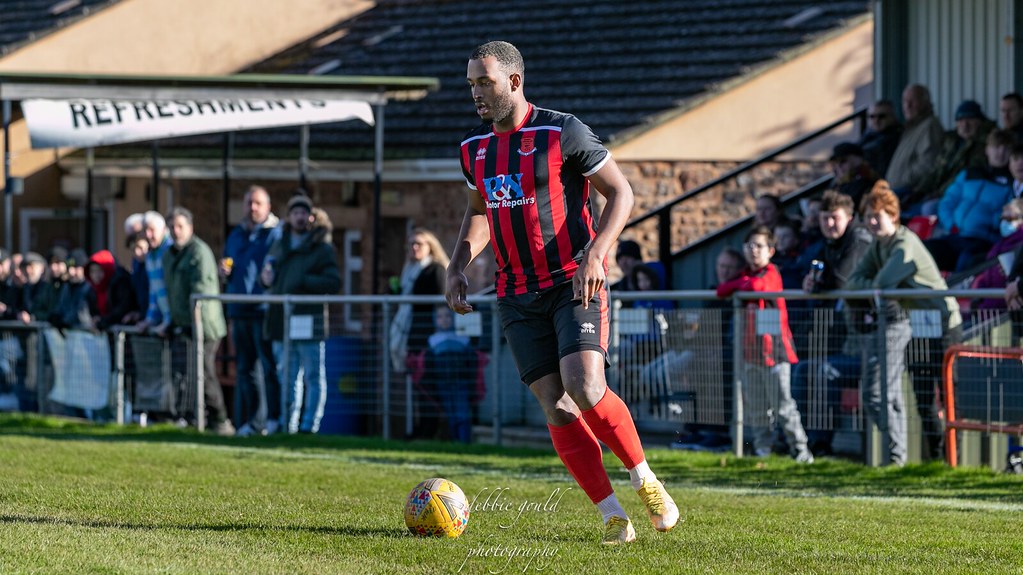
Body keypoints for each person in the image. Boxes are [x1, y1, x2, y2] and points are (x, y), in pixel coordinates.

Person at [447, 40, 678, 545]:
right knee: (555, 404)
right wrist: (457, 265)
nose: (476, 93)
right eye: (470, 84)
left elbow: (622, 193)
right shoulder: (472, 147)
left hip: (575, 278)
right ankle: (613, 515)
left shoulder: (562, 131)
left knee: (585, 384)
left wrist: (597, 254)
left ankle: (645, 479)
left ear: (514, 80)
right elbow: (482, 210)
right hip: (514, 293)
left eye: (484, 82)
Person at [846, 182, 962, 465]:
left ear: (893, 216)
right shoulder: (879, 246)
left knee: (947, 396)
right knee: (923, 397)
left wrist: (873, 285)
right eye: (868, 216)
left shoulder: (904, 243)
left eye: (878, 215)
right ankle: (935, 461)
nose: (872, 222)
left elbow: (883, 283)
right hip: (918, 325)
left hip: (944, 323)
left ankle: (953, 461)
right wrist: (871, 285)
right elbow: (853, 282)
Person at [716, 226, 813, 464]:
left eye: (759, 246)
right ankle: (763, 451)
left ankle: (801, 452)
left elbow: (759, 288)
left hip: (775, 353)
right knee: (757, 408)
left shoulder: (772, 272)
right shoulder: (745, 275)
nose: (753, 250)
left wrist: (742, 285)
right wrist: (742, 284)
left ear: (770, 251)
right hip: (750, 353)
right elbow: (722, 289)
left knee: (783, 407)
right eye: (749, 245)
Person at [791, 191, 873, 455]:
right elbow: (820, 277)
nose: (829, 224)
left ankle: (821, 443)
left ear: (849, 217)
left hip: (869, 347)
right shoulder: (826, 244)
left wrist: (818, 285)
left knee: (824, 371)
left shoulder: (859, 239)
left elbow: (841, 280)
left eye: (834, 219)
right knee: (803, 369)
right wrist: (810, 282)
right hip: (842, 339)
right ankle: (800, 440)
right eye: (825, 219)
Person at [262, 194, 341, 435]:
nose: (298, 217)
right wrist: (265, 279)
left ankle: (309, 426)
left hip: (309, 318)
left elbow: (333, 281)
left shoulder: (322, 247)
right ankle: (289, 425)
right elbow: (269, 272)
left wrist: (302, 281)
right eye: (294, 212)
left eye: (302, 213)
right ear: (288, 217)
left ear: (310, 217)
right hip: (281, 318)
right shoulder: (279, 242)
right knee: (287, 374)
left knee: (314, 376)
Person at [162, 207, 234, 435]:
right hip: (183, 323)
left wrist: (192, 323)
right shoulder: (169, 254)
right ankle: (194, 418)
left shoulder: (198, 252)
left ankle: (220, 420)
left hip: (206, 326)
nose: (176, 231)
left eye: (180, 226)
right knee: (186, 374)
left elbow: (200, 291)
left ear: (190, 228)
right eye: (172, 227)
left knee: (204, 372)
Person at [223, 185, 282, 437]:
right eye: (249, 203)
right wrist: (224, 272)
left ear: (267, 206)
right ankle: (251, 421)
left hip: (263, 310)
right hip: (239, 309)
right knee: (245, 369)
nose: (253, 207)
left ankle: (272, 419)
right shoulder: (236, 234)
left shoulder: (275, 234)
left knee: (268, 368)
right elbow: (230, 264)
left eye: (258, 203)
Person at [925, 128, 1014, 272]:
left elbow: (1009, 217)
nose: (1000, 152)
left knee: (966, 262)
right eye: (996, 147)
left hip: (982, 242)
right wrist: (951, 224)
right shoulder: (970, 174)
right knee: (925, 250)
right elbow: (947, 202)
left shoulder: (1013, 184)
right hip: (956, 235)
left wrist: (988, 228)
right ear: (987, 150)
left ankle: (957, 294)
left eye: (1006, 148)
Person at [389, 228, 449, 439]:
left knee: (428, 386)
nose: (414, 248)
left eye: (419, 244)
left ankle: (429, 429)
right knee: (418, 384)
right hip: (413, 335)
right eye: (411, 244)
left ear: (430, 247)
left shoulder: (436, 269)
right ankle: (419, 427)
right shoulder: (409, 271)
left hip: (429, 337)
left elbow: (439, 305)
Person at [900, 99, 995, 215]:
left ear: (980, 121)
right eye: (960, 120)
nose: (965, 125)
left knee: (925, 209)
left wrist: (938, 194)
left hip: (958, 196)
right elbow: (935, 171)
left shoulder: (985, 144)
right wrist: (918, 191)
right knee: (899, 197)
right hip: (937, 192)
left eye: (970, 119)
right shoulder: (951, 141)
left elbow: (962, 176)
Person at [421, 304, 477, 443]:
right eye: (440, 317)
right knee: (451, 414)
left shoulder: (463, 339)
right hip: (442, 384)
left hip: (461, 383)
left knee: (462, 413)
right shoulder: (432, 341)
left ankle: (465, 443)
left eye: (447, 316)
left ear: (453, 318)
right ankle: (456, 442)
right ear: (435, 320)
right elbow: (429, 367)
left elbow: (471, 364)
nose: (444, 319)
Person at [885, 84, 945, 193]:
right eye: (905, 101)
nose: (908, 105)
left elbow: (928, 163)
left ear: (926, 102)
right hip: (894, 189)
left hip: (909, 192)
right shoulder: (910, 128)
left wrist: (903, 180)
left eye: (913, 101)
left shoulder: (930, 126)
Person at [970, 198, 1023, 310]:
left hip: (1002, 306)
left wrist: (984, 307)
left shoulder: (1018, 245)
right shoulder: (999, 245)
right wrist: (978, 299)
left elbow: (1005, 284)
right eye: (1003, 218)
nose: (1005, 223)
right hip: (991, 306)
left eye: (1010, 219)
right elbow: (987, 277)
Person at [136, 211, 173, 335]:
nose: (148, 234)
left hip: (178, 324)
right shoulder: (150, 256)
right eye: (145, 230)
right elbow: (155, 291)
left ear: (163, 229)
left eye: (152, 230)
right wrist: (150, 320)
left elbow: (176, 290)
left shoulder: (171, 251)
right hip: (164, 323)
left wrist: (169, 322)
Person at [84, 250, 136, 331]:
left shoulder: (120, 281)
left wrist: (104, 320)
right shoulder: (93, 289)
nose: (96, 275)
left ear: (106, 269)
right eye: (93, 271)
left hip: (123, 332)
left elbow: (122, 308)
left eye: (99, 270)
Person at [829, 142, 879, 210]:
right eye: (835, 164)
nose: (838, 167)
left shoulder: (865, 178)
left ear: (857, 159)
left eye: (843, 161)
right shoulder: (838, 183)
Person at [859, 99, 902, 177]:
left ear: (892, 117)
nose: (876, 120)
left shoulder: (896, 135)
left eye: (881, 116)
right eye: (872, 116)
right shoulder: (869, 133)